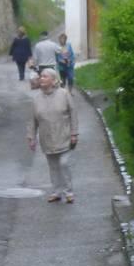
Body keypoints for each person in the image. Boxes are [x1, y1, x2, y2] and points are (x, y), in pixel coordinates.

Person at [27, 67, 79, 204]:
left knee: (64, 163)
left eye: (44, 76)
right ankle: (56, 192)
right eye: (40, 76)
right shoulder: (36, 99)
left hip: (64, 136)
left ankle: (69, 192)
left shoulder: (64, 94)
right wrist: (31, 137)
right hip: (47, 138)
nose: (41, 78)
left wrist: (74, 133)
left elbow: (73, 113)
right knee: (53, 166)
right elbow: (33, 120)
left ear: (53, 80)